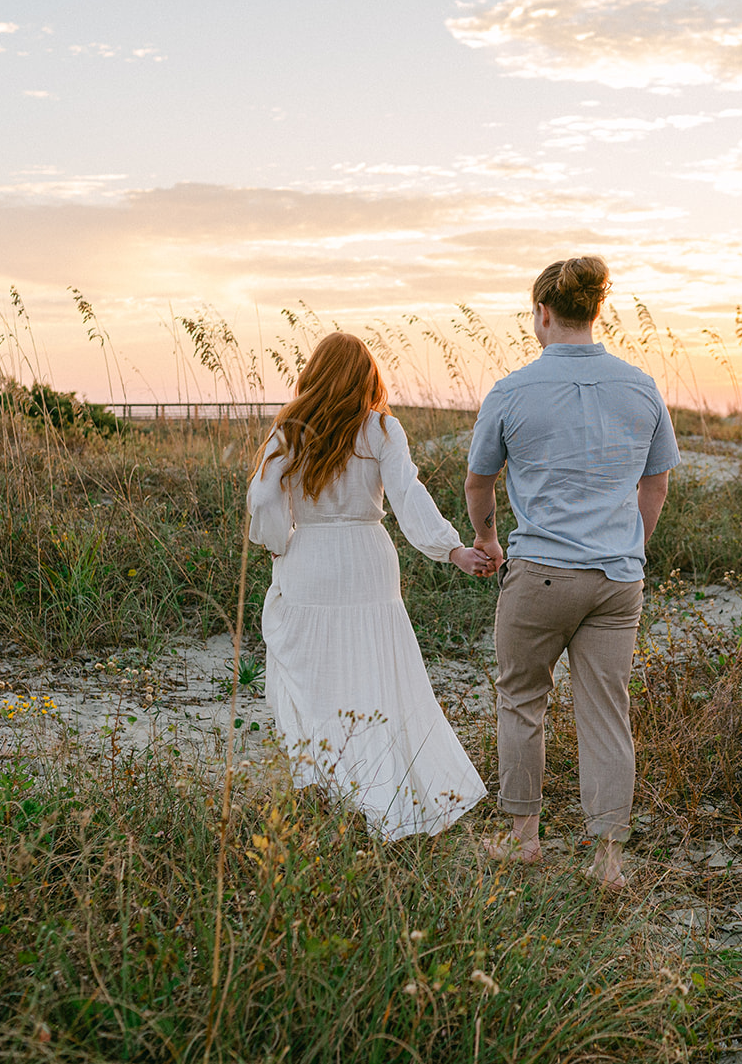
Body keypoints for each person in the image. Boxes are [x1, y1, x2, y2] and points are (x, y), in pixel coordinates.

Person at [465, 256, 679, 887]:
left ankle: (523, 838)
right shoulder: (640, 386)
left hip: (542, 573)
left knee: (522, 700)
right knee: (607, 712)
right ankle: (608, 859)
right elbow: (657, 482)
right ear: (595, 311)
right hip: (618, 579)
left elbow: (480, 481)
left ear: (543, 313)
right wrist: (629, 548)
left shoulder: (511, 391)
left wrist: (487, 538)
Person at [248, 332, 495, 841]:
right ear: (368, 378)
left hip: (308, 556)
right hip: (367, 556)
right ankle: (381, 783)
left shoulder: (289, 430)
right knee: (377, 670)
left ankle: (323, 782)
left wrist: (277, 543)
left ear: (313, 374)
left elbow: (263, 498)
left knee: (314, 671)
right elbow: (407, 493)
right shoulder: (383, 428)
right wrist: (451, 548)